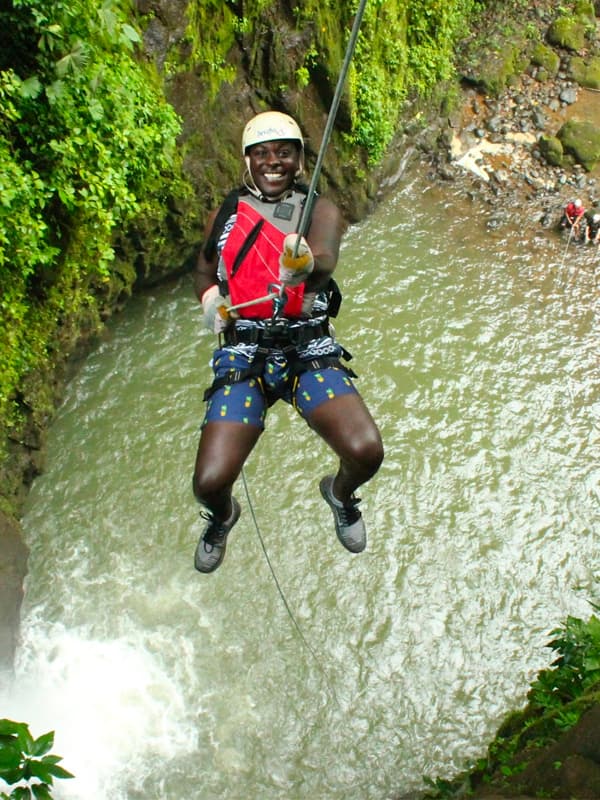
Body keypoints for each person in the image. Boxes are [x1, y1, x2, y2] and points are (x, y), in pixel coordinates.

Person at [191, 110, 384, 573]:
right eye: (262, 153)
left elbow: (325, 258)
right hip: (244, 347)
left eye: (283, 153)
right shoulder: (226, 212)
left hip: (305, 346)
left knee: (366, 451)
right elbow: (202, 267)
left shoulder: (319, 210)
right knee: (209, 481)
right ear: (248, 160)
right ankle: (223, 516)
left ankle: (339, 494)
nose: (272, 162)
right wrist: (211, 298)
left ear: (299, 160)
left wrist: (303, 267)